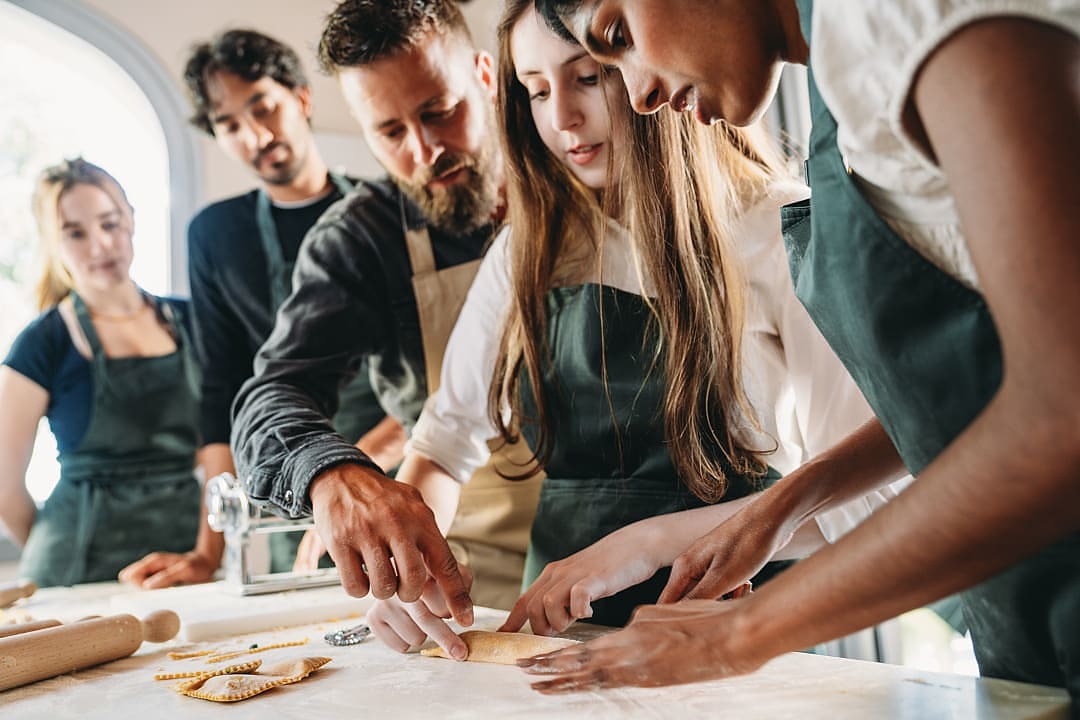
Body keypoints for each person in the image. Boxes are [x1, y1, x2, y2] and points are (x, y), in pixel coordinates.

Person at [521, 0, 1080, 699]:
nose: (641, 94)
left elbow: (1061, 417)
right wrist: (786, 504)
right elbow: (985, 377)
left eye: (619, 36)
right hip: (1031, 628)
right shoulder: (837, 84)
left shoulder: (905, 19)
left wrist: (739, 634)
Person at [362, 1, 907, 660]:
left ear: (646, 58)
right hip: (563, 652)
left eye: (588, 77)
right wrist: (406, 576)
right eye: (536, 91)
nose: (560, 118)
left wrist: (646, 544)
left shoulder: (777, 228)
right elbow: (445, 445)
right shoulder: (524, 253)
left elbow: (859, 505)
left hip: (745, 645)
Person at [230, 0, 543, 615]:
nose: (425, 151)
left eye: (439, 112)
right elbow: (271, 394)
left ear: (485, 76)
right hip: (467, 577)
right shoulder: (359, 240)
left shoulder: (571, 172)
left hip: (625, 538)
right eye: (391, 132)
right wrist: (331, 473)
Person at [118, 30, 401, 588]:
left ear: (301, 97)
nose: (254, 135)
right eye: (228, 125)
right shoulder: (215, 235)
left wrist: (354, 474)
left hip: (401, 480)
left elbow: (433, 380)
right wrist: (207, 553)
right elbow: (222, 392)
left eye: (263, 108)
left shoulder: (386, 213)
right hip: (288, 503)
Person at [0, 158, 201, 587]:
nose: (100, 246)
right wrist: (54, 549)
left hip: (183, 562)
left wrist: (207, 550)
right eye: (75, 233)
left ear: (130, 219)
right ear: (53, 244)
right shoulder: (43, 342)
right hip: (76, 568)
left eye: (110, 223)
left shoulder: (192, 321)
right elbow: (4, 488)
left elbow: (222, 448)